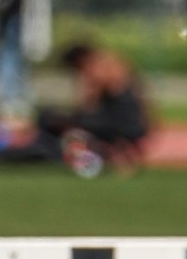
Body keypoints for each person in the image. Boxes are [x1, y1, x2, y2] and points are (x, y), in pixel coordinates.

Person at [36, 40, 151, 176]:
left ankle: (79, 156)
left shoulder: (95, 68)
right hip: (134, 123)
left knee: (54, 119)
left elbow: (88, 105)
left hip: (121, 125)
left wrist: (68, 117)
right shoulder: (114, 62)